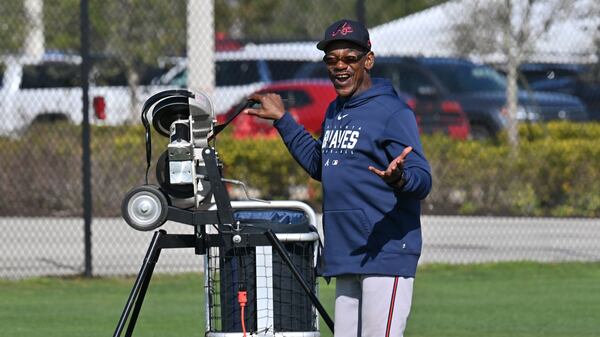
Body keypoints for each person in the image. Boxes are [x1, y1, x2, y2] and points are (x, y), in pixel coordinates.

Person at [244, 19, 432, 337]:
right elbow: (321, 165)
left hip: (385, 252)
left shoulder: (392, 111)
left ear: (367, 60)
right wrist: (283, 120)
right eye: (332, 60)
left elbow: (422, 178)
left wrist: (400, 179)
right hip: (346, 253)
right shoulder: (335, 110)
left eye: (349, 58)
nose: (340, 66)